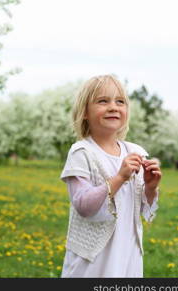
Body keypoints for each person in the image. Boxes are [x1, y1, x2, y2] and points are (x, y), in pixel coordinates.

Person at [60, 74, 162, 277]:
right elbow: (83, 205)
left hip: (128, 252)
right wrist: (119, 178)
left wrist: (151, 188)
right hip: (93, 259)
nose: (113, 107)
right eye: (103, 101)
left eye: (120, 101)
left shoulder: (135, 151)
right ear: (85, 112)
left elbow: (142, 207)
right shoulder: (82, 152)